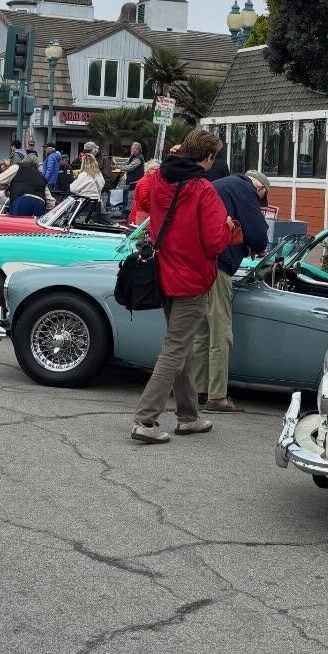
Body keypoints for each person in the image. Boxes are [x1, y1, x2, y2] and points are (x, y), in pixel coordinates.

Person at [131, 129, 241, 444]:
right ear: (208, 157)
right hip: (192, 277)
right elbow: (214, 242)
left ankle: (188, 416)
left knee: (181, 347)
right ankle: (145, 418)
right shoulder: (203, 189)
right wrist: (228, 227)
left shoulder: (160, 179)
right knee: (176, 348)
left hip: (163, 272)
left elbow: (142, 197)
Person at [193, 168, 271, 412]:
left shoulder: (224, 184)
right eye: (262, 198)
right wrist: (257, 246)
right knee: (221, 332)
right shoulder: (245, 190)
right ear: (259, 188)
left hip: (199, 263)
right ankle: (217, 396)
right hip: (217, 265)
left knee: (202, 331)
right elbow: (258, 234)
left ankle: (196, 390)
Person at [119, 141, 146, 213]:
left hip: (134, 182)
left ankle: (127, 214)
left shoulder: (138, 158)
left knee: (130, 199)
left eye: (132, 148)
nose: (131, 149)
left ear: (137, 149)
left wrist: (118, 167)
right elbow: (127, 163)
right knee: (127, 197)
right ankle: (126, 212)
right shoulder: (134, 157)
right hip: (132, 181)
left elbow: (129, 167)